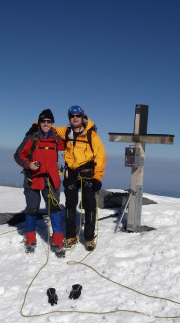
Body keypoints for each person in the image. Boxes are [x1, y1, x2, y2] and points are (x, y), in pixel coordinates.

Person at [14, 109, 66, 257]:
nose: (46, 124)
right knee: (32, 209)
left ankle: (57, 242)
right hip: (33, 178)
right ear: (39, 122)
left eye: (49, 121)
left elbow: (70, 146)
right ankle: (30, 240)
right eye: (43, 121)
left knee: (55, 209)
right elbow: (18, 155)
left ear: (52, 123)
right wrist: (28, 164)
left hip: (50, 179)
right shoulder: (32, 137)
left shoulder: (57, 138)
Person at [54, 105, 106, 251]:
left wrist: (97, 177)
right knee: (70, 205)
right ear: (69, 118)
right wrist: (35, 126)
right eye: (72, 116)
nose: (75, 118)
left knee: (89, 205)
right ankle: (71, 236)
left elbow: (100, 156)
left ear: (82, 116)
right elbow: (49, 127)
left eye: (77, 115)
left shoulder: (91, 135)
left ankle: (89, 238)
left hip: (87, 173)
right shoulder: (66, 131)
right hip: (70, 173)